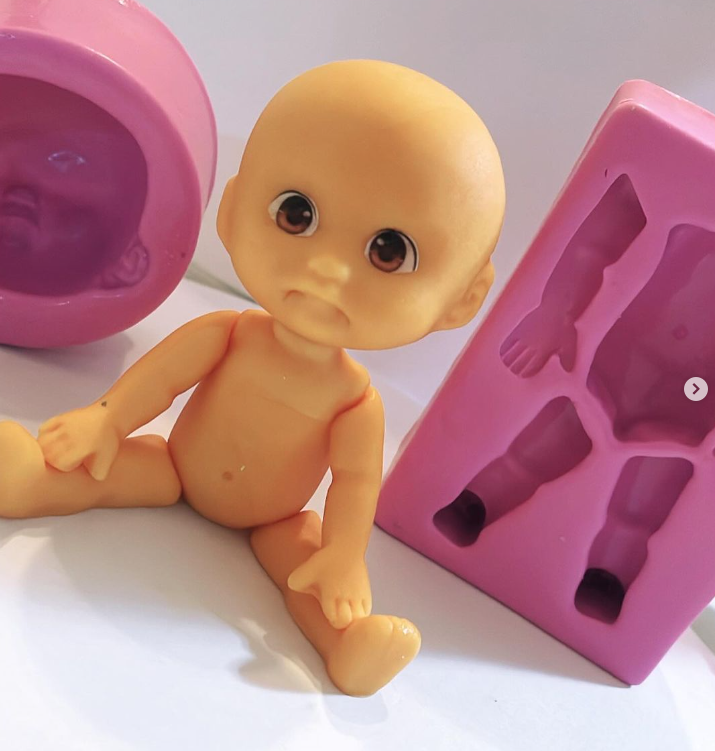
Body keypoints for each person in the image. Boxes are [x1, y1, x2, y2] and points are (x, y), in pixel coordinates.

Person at [0, 60, 505, 695]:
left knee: (310, 570)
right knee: (109, 468)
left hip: (278, 518)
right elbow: (161, 378)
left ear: (462, 299)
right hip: (175, 467)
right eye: (297, 215)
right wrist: (105, 420)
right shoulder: (230, 333)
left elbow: (354, 484)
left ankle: (347, 644)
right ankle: (28, 480)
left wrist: (344, 555)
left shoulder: (355, 403)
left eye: (388, 253)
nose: (327, 270)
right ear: (235, 210)